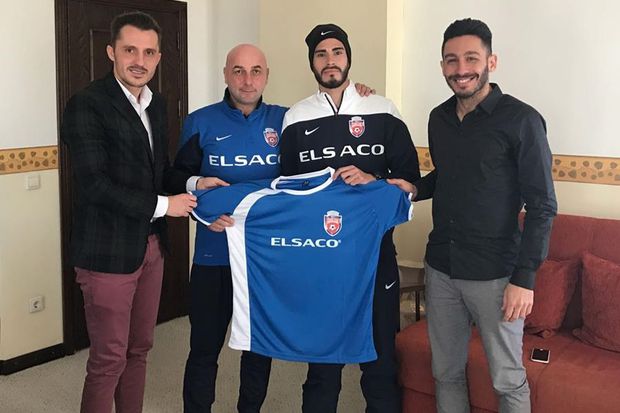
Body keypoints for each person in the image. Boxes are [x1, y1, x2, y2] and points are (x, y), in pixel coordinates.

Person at [166, 43, 376, 413]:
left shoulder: (287, 119)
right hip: (214, 256)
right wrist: (200, 196)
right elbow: (175, 179)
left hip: (265, 261)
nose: (247, 81)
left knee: (258, 350)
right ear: (226, 74)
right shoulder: (200, 121)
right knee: (203, 348)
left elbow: (319, 164)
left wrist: (359, 96)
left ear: (267, 76)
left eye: (256, 71)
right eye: (238, 71)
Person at [388, 18, 557, 413]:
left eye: (471, 58)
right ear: (442, 66)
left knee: (507, 379)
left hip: (496, 275)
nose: (461, 69)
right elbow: (447, 174)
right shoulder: (439, 118)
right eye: (451, 60)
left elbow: (542, 205)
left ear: (491, 62)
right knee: (445, 372)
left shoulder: (522, 120)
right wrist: (415, 188)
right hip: (441, 267)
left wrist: (524, 279)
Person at [279, 23, 421, 413]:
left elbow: (410, 181)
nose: (330, 60)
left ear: (348, 57)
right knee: (323, 367)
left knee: (381, 362)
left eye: (337, 52)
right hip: (322, 259)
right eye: (321, 54)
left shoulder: (382, 109)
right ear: (312, 63)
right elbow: (288, 191)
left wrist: (374, 180)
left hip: (376, 256)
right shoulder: (296, 117)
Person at [60, 11, 196, 413]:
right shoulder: (87, 104)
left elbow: (159, 172)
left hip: (151, 247)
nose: (140, 60)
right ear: (111, 52)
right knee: (108, 359)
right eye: (130, 50)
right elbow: (95, 185)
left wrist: (193, 184)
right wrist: (166, 206)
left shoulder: (157, 104)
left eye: (149, 52)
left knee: (140, 350)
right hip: (106, 252)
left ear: (158, 58)